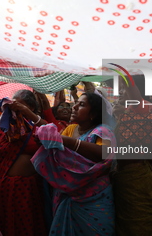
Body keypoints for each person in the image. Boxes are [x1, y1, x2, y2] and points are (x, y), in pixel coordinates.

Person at [31, 92, 116, 236]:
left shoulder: (102, 131)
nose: (74, 107)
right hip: (67, 197)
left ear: (93, 114)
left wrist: (67, 141)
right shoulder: (70, 129)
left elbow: (104, 154)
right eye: (75, 103)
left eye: (81, 104)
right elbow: (58, 149)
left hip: (94, 199)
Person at [112, 76, 152, 236]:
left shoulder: (143, 110)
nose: (121, 94)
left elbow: (133, 93)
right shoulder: (127, 116)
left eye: (124, 90)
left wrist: (124, 71)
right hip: (125, 181)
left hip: (138, 182)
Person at [0, 89, 47, 236]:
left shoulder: (38, 129)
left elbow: (51, 131)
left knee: (25, 227)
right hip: (4, 190)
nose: (14, 109)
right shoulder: (8, 128)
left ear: (31, 108)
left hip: (25, 191)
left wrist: (26, 112)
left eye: (19, 105)